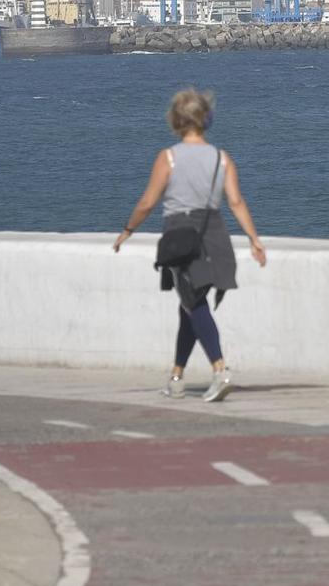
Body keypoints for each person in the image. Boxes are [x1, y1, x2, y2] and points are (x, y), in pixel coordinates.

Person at [113, 89, 266, 402]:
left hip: (182, 236)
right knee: (189, 305)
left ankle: (220, 369)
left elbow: (147, 202)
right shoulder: (222, 158)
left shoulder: (168, 157)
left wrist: (127, 230)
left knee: (194, 304)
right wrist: (254, 239)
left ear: (175, 121)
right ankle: (176, 377)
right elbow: (235, 202)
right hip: (215, 236)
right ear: (206, 119)